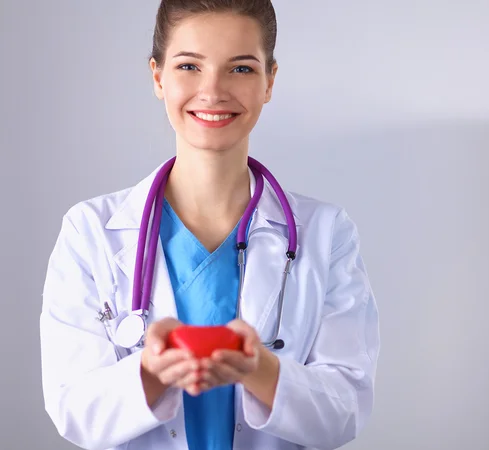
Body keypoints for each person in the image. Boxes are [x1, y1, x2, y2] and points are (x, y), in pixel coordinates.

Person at [39, 1, 380, 449]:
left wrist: (260, 369)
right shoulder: (91, 232)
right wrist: (149, 374)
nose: (213, 91)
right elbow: (73, 412)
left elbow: (344, 412)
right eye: (188, 66)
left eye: (240, 69)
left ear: (269, 81)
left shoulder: (325, 233)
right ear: (158, 77)